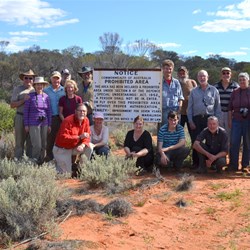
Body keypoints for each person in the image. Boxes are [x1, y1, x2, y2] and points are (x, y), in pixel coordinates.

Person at [187, 69, 222, 169]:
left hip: (210, 119)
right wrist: (190, 121)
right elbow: (189, 108)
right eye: (200, 76)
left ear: (207, 77)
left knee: (211, 141)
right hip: (197, 119)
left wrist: (217, 122)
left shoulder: (214, 90)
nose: (202, 78)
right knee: (196, 141)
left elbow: (217, 107)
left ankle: (211, 163)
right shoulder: (193, 91)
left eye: (204, 76)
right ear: (197, 78)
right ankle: (196, 163)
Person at [53, 103, 93, 175]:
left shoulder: (86, 120)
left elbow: (87, 136)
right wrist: (79, 137)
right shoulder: (67, 121)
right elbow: (63, 137)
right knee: (66, 175)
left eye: (84, 111)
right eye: (80, 111)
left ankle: (81, 169)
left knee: (89, 147)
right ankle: (53, 164)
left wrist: (83, 145)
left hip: (74, 147)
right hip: (62, 149)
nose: (82, 113)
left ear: (87, 112)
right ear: (75, 111)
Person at [23, 77, 51, 164]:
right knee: (37, 145)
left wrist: (49, 124)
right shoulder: (30, 97)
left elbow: (49, 111)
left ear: (43, 85)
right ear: (34, 86)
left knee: (43, 145)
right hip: (33, 123)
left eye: (41, 84)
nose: (40, 86)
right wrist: (26, 124)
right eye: (38, 84)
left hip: (44, 123)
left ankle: (41, 162)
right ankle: (34, 162)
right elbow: (26, 111)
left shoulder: (46, 97)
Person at [10, 69, 36, 159]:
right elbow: (12, 105)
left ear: (33, 80)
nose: (28, 80)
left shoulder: (35, 90)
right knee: (19, 142)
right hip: (20, 117)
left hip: (32, 119)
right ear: (23, 79)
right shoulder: (18, 89)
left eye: (30, 78)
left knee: (31, 142)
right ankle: (17, 161)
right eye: (26, 78)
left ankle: (28, 162)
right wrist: (23, 100)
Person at [228, 72, 250, 171]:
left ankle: (245, 165)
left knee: (247, 143)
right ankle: (233, 165)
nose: (242, 81)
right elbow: (229, 108)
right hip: (236, 120)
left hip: (248, 121)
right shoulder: (235, 92)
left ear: (248, 80)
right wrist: (229, 121)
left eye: (244, 79)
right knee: (234, 142)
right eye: (240, 80)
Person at [44, 71, 65, 162]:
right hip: (50, 118)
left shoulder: (65, 90)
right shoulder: (46, 91)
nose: (56, 80)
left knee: (61, 138)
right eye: (54, 78)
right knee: (50, 140)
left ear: (60, 79)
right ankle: (49, 158)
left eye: (58, 78)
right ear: (51, 79)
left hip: (62, 118)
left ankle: (60, 159)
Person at [214, 67, 239, 142]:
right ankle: (220, 152)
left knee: (229, 133)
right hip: (219, 113)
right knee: (219, 133)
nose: (226, 75)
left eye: (228, 73)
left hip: (230, 113)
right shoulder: (215, 86)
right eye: (223, 73)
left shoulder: (236, 86)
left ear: (231, 74)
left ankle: (228, 151)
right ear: (221, 75)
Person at [161, 59, 184, 125]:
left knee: (175, 132)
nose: (168, 71)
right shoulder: (159, 82)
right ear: (163, 69)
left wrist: (179, 108)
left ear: (172, 69)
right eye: (166, 68)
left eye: (170, 69)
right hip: (164, 111)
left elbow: (180, 97)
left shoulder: (176, 82)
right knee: (164, 131)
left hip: (175, 110)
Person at [177, 66, 197, 136]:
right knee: (179, 132)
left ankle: (194, 146)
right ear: (178, 74)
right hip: (179, 112)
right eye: (180, 73)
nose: (182, 75)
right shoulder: (176, 83)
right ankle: (179, 146)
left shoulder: (192, 82)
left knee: (193, 132)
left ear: (187, 73)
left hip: (190, 112)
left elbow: (197, 96)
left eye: (183, 73)